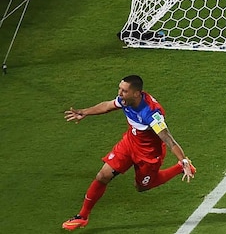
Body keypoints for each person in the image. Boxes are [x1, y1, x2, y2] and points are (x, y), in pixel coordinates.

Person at [61, 75, 196, 231]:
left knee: (142, 187)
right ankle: (82, 216)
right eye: (120, 89)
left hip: (148, 154)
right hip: (129, 144)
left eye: (124, 91)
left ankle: (179, 168)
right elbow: (107, 106)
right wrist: (84, 112)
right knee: (102, 176)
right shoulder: (126, 100)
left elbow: (169, 140)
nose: (119, 93)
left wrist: (184, 161)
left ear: (136, 93)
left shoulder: (151, 113)